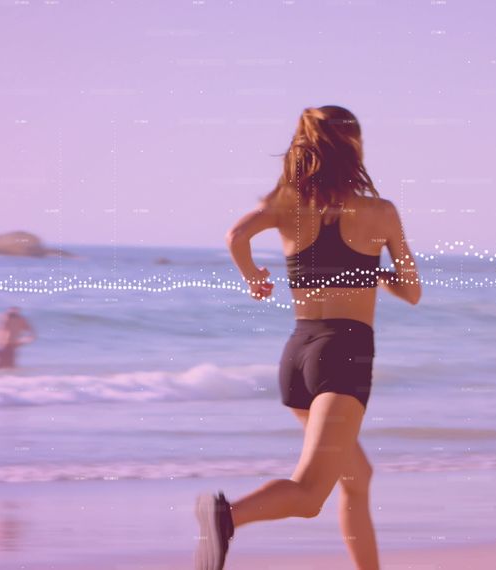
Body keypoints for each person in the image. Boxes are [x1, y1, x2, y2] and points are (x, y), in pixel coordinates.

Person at [195, 105, 422, 570]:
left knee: (357, 478)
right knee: (309, 493)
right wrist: (375, 273)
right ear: (354, 146)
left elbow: (236, 235)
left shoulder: (288, 206)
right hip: (344, 354)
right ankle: (226, 516)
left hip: (298, 354)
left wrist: (253, 278)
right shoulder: (380, 212)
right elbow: (412, 291)